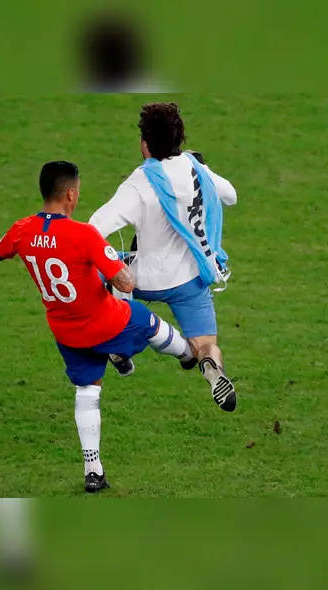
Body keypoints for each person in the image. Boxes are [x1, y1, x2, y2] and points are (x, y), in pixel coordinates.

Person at [0, 161, 196, 492]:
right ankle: (189, 354)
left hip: (66, 331)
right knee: (149, 322)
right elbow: (125, 284)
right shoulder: (84, 235)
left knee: (87, 391)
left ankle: (93, 471)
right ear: (70, 194)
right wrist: (119, 260)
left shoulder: (21, 229)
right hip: (105, 322)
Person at [89, 102, 239, 412]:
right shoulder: (197, 169)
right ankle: (212, 369)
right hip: (192, 279)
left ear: (145, 144)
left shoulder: (141, 182)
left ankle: (118, 343)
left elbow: (95, 227)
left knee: (106, 264)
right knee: (205, 343)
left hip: (144, 279)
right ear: (180, 139)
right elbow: (231, 196)